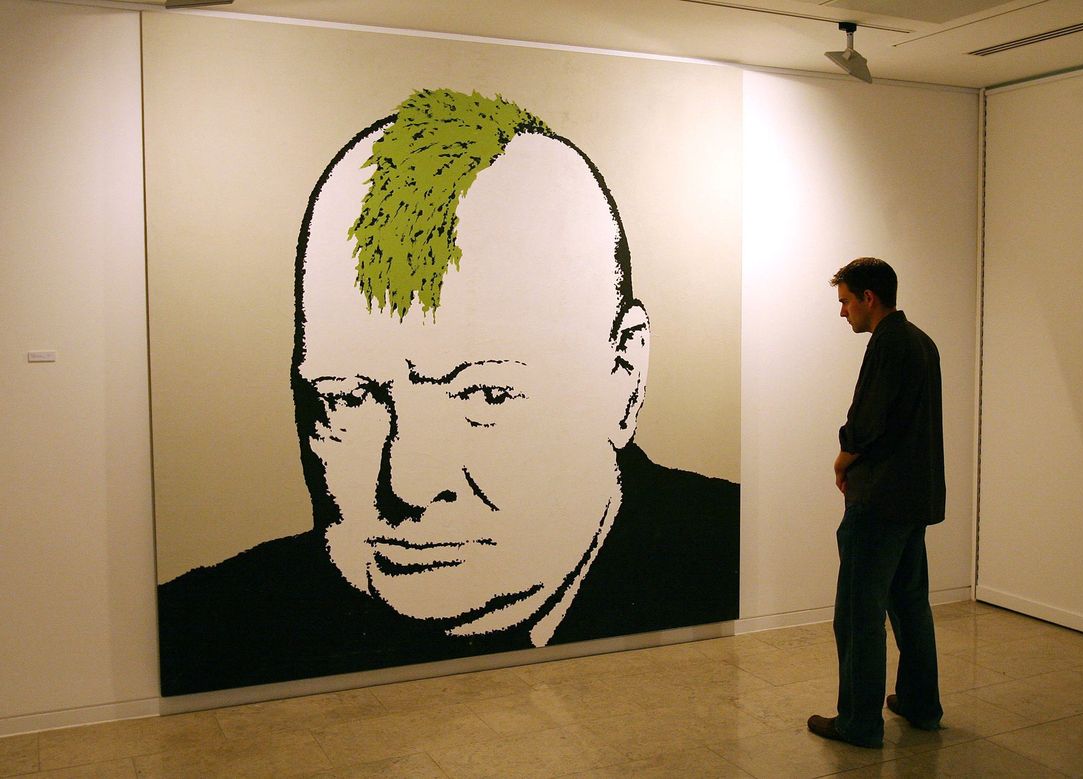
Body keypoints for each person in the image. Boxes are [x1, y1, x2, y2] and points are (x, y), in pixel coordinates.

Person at [157, 88, 739, 697]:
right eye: (349, 399)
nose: (406, 486)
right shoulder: (207, 638)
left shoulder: (732, 559)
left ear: (622, 377)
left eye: (485, 396)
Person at [807, 257, 945, 748]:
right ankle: (921, 704)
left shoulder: (887, 345)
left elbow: (867, 422)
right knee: (909, 605)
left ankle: (859, 722)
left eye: (846, 301)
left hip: (879, 501)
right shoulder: (922, 342)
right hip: (913, 500)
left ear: (869, 298)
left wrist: (842, 461)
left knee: (858, 613)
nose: (842, 312)